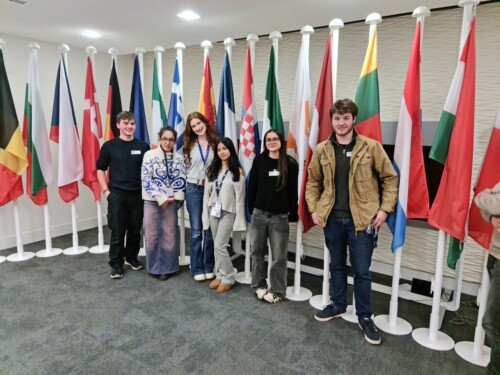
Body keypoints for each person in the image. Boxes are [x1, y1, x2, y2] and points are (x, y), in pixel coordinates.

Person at [305, 98, 398, 344]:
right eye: (337, 118)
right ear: (332, 120)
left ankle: (365, 317)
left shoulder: (371, 147)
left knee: (362, 272)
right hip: (332, 220)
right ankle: (337, 304)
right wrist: (314, 209)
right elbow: (313, 182)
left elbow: (390, 178)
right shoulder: (322, 149)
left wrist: (385, 210)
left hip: (362, 222)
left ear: (353, 119)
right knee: (336, 265)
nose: (341, 122)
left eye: (346, 118)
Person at [96, 111, 150, 279]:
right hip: (117, 196)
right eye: (125, 123)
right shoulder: (109, 146)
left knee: (135, 231)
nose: (129, 126)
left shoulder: (143, 146)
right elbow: (100, 170)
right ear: (118, 125)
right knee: (118, 231)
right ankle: (116, 264)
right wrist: (106, 191)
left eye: (132, 123)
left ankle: (131, 258)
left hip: (138, 196)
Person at [248, 129, 298, 303]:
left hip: (279, 217)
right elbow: (252, 186)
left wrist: (292, 213)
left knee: (278, 256)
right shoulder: (259, 160)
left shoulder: (290, 163)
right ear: (265, 143)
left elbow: (293, 191)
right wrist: (250, 208)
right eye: (268, 139)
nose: (271, 142)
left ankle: (278, 290)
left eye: (275, 139)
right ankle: (258, 285)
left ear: (281, 141)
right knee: (256, 252)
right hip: (259, 214)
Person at [141, 126, 186, 281]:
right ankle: (155, 267)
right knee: (151, 234)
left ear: (175, 141)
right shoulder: (149, 155)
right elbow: (146, 178)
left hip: (171, 202)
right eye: (165, 139)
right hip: (152, 200)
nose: (168, 142)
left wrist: (177, 199)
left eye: (171, 139)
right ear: (159, 139)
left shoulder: (179, 158)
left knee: (169, 234)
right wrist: (161, 198)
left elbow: (181, 178)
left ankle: (169, 268)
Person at [202, 137, 246, 293]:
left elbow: (240, 199)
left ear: (231, 150)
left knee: (220, 245)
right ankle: (219, 274)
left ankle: (229, 277)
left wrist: (240, 221)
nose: (222, 152)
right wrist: (205, 215)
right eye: (219, 149)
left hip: (229, 211)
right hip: (214, 209)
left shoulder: (237, 172)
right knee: (216, 245)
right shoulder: (212, 170)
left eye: (224, 149)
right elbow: (207, 195)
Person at [183, 112, 218, 281]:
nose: (197, 127)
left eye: (199, 123)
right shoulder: (187, 145)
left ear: (205, 122)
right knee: (196, 230)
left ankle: (209, 265)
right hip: (194, 189)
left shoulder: (215, 142)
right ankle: (197, 267)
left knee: (210, 230)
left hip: (212, 190)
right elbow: (180, 167)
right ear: (190, 129)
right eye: (193, 126)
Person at [475, 182, 500, 375]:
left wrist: (493, 203)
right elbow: (481, 198)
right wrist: (492, 215)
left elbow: (491, 200)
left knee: (491, 323)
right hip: (495, 256)